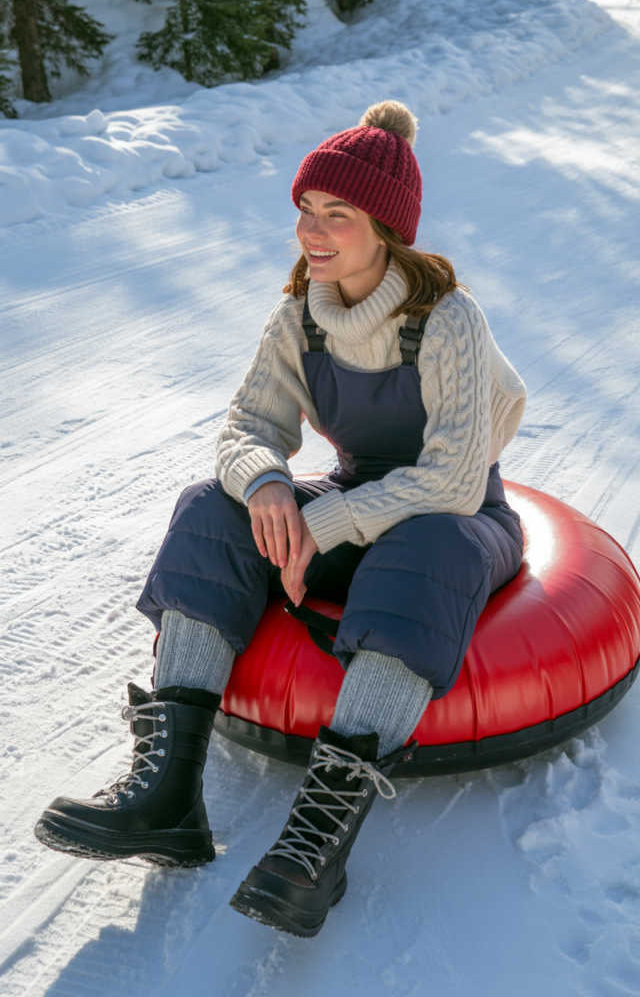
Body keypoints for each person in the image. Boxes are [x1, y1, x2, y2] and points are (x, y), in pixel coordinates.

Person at [35, 100, 526, 938]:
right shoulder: (300, 311)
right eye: (306, 209)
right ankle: (167, 799)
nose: (315, 231)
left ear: (388, 229)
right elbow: (245, 427)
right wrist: (265, 486)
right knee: (208, 505)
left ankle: (316, 843)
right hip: (355, 500)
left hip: (458, 516)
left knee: (427, 543)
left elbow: (447, 480)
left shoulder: (448, 320)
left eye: (339, 214)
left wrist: (323, 525)